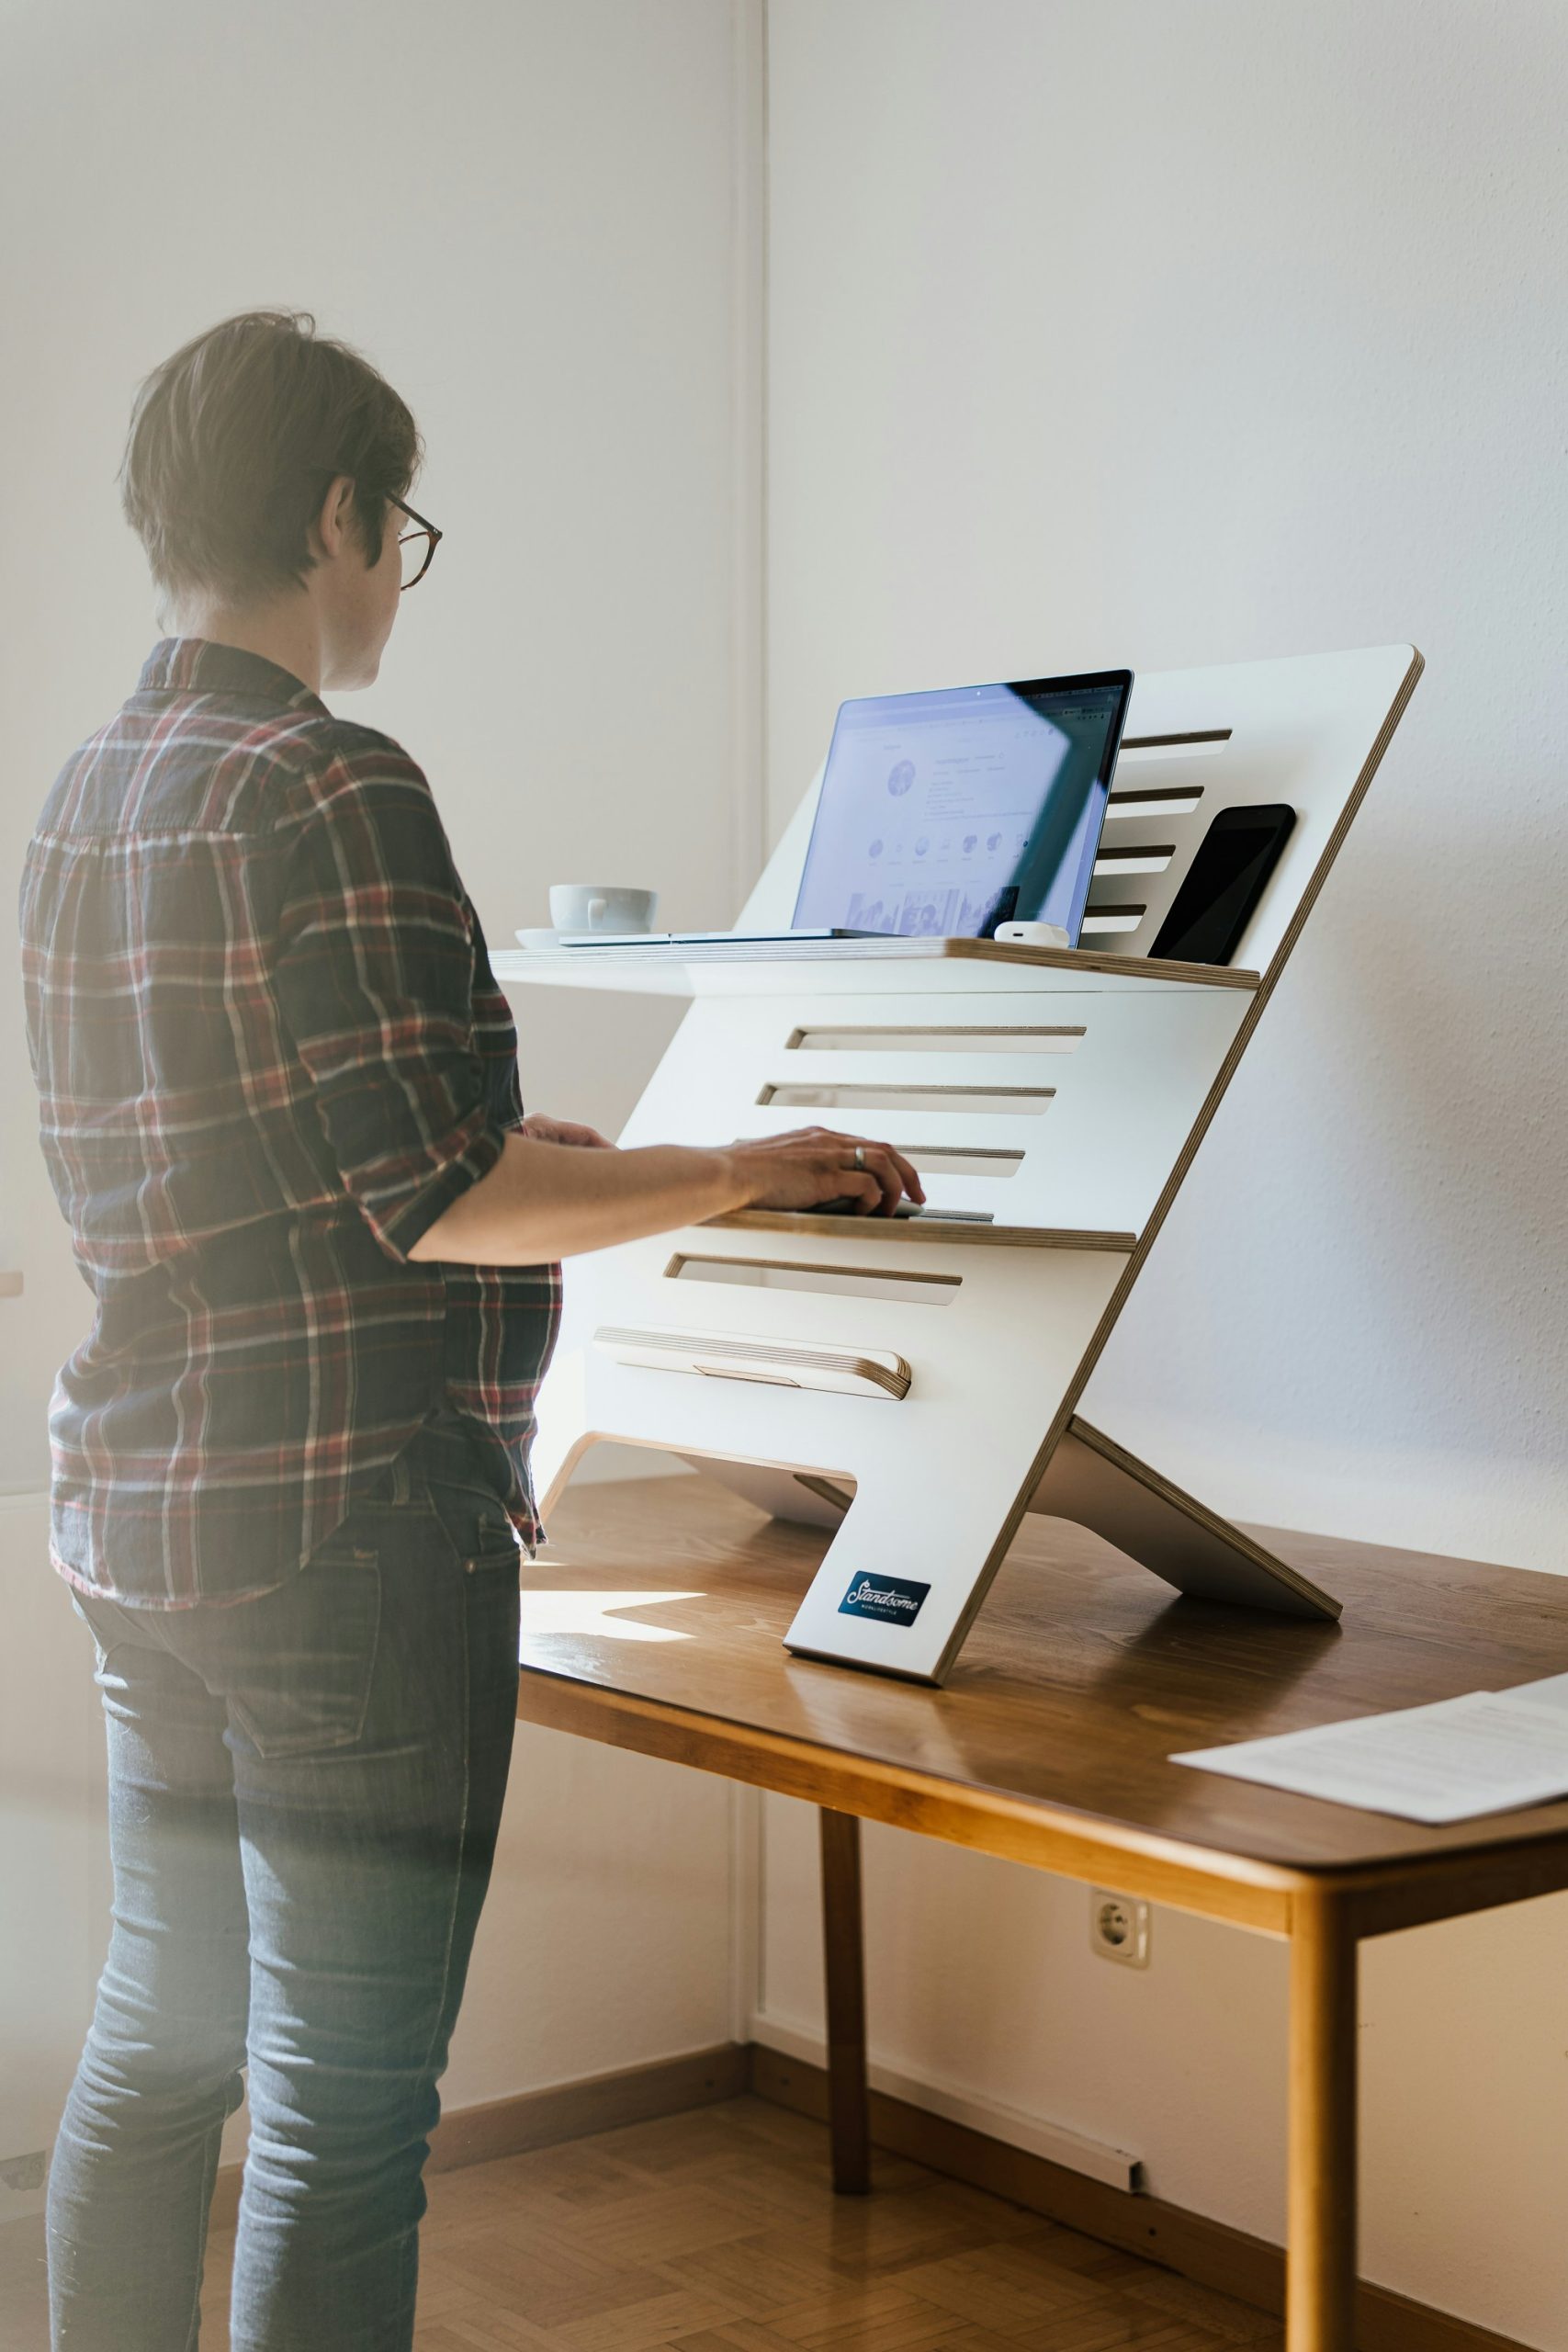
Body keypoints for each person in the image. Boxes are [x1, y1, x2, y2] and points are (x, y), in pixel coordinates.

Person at [20, 310, 921, 2352]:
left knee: (156, 2044)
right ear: (338, 512)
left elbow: (273, 1132)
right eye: (394, 530)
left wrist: (509, 1141)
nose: (387, 577)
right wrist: (726, 1168)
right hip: (343, 1526)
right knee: (342, 2107)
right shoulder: (328, 776)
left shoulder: (89, 789)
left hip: (141, 1503)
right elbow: (438, 1200)